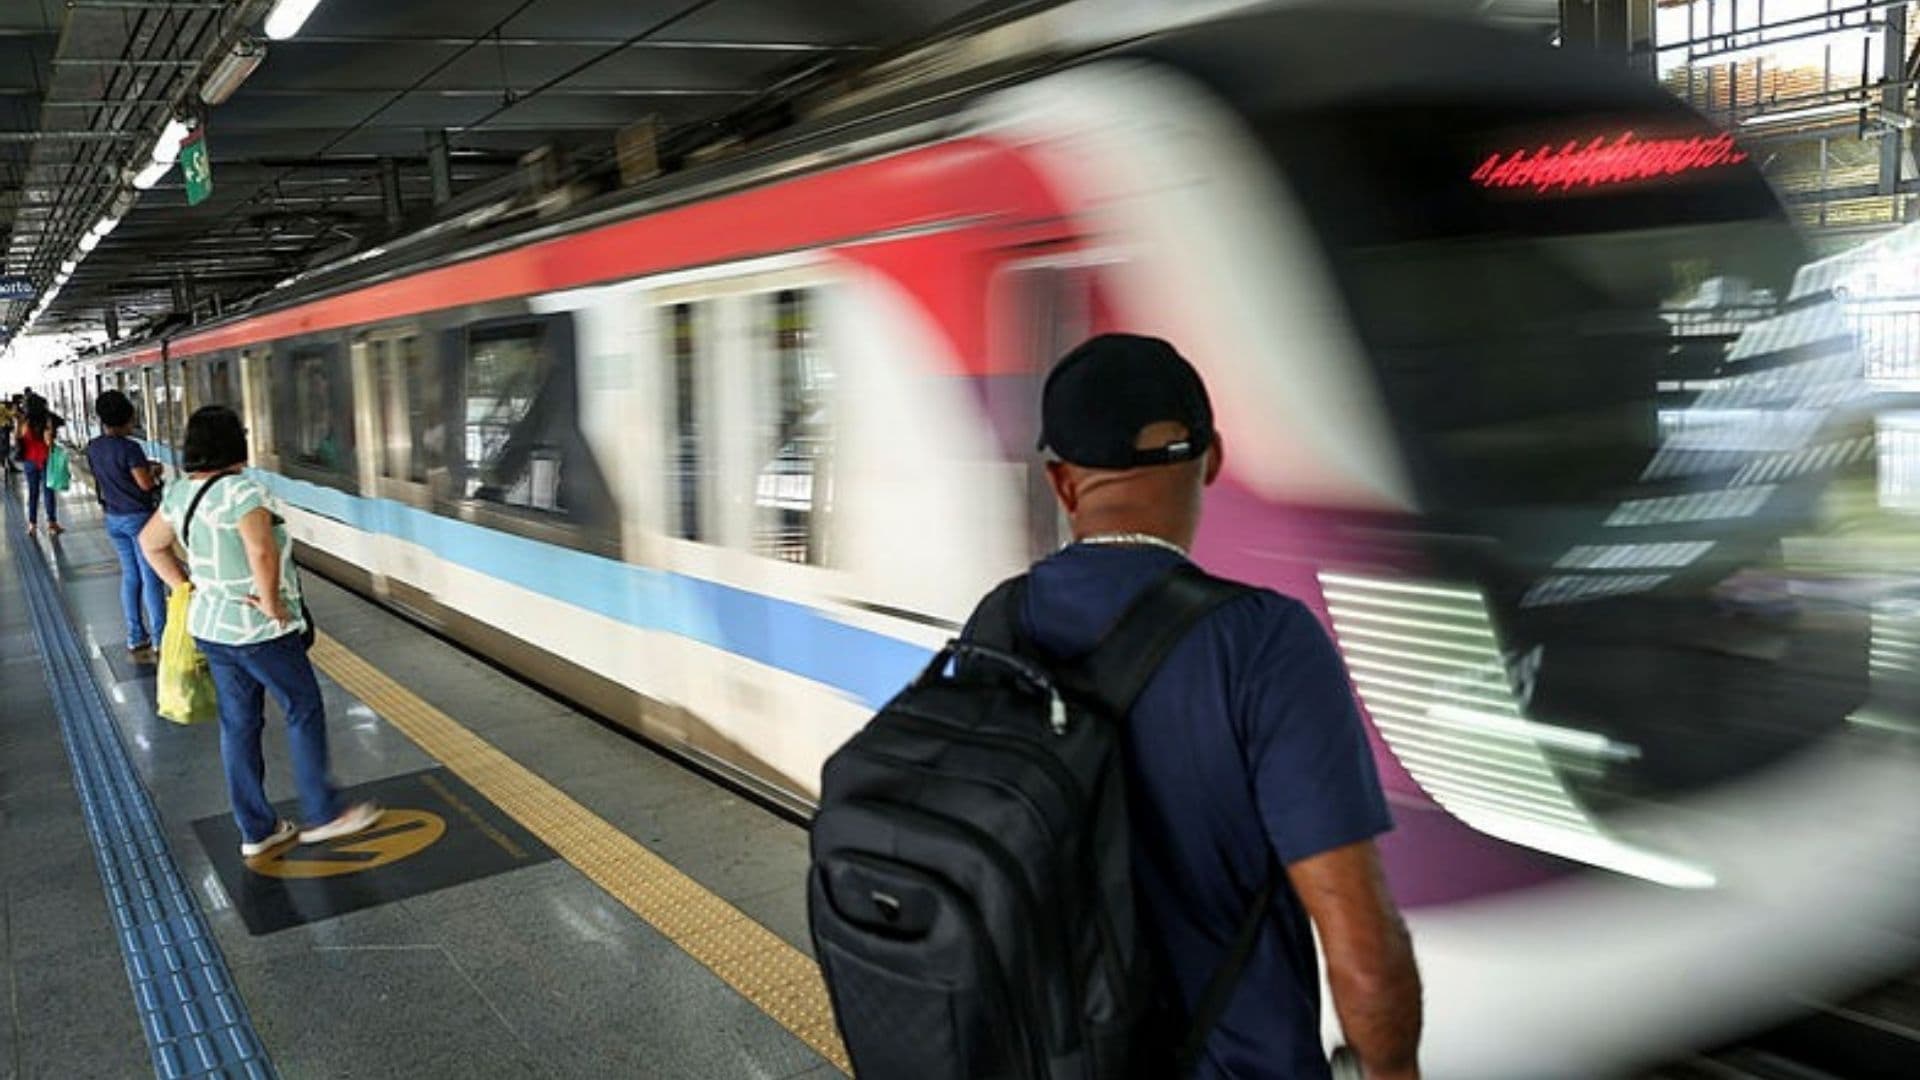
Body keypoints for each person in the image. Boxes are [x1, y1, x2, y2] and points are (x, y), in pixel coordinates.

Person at [1010, 335, 1421, 1079]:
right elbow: (1365, 958)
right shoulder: (1264, 642)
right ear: (1213, 458)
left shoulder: (994, 625)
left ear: (1062, 483)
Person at [139, 405, 379, 857]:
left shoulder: (179, 494)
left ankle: (256, 829)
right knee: (302, 707)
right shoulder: (243, 492)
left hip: (212, 628)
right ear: (235, 444)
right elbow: (261, 551)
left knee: (238, 724)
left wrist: (186, 586)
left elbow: (150, 544)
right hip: (258, 632)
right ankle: (323, 813)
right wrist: (270, 602)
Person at [87, 389, 169, 660]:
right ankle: (160, 639)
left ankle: (135, 636)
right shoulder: (130, 448)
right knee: (151, 577)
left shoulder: (94, 446)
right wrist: (153, 471)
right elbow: (144, 484)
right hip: (139, 518)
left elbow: (109, 475)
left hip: (113, 518)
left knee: (130, 575)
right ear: (127, 417)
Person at [16, 394, 64, 536]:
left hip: (29, 462)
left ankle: (32, 525)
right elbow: (49, 442)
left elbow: (17, 438)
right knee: (48, 492)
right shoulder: (46, 419)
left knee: (33, 493)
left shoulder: (23, 421)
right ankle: (52, 524)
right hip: (45, 459)